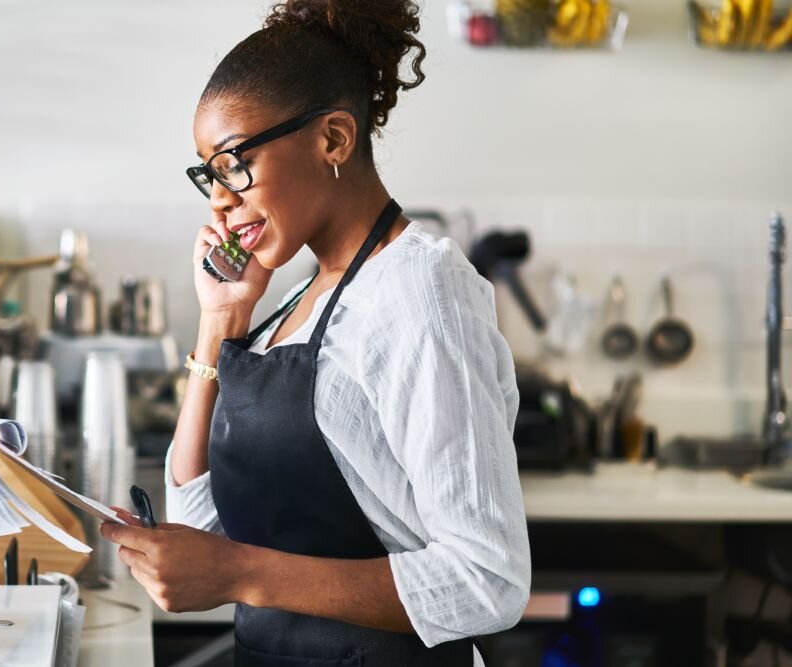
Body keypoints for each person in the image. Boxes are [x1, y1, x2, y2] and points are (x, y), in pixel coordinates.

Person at [100, 1, 530, 663]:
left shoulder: (420, 290)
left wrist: (241, 572)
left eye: (234, 163)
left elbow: (488, 579)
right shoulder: (299, 297)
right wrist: (220, 319)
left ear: (333, 139)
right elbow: (199, 525)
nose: (218, 198)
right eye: (208, 174)